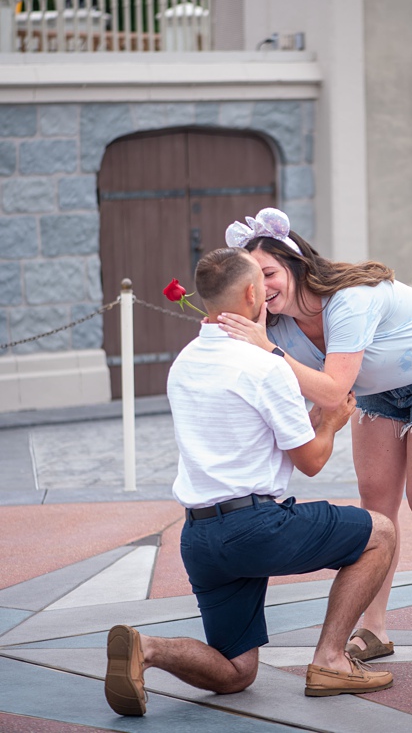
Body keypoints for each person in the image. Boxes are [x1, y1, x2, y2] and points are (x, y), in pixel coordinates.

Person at [104, 247, 396, 717]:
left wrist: (307, 420)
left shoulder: (184, 363)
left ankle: (148, 649)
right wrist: (331, 422)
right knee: (380, 533)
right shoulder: (265, 367)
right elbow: (312, 462)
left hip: (199, 537)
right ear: (252, 294)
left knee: (236, 672)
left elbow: (244, 429)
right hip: (256, 527)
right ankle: (331, 660)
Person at [218, 208, 412, 664]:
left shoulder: (348, 299)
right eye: (254, 279)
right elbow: (298, 389)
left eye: (270, 272)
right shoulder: (277, 322)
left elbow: (330, 389)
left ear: (295, 264)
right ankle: (374, 629)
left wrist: (265, 347)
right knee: (377, 508)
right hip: (375, 386)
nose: (263, 287)